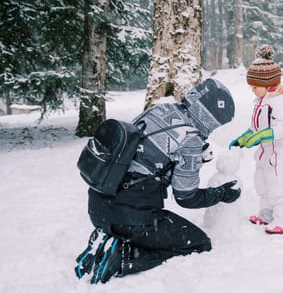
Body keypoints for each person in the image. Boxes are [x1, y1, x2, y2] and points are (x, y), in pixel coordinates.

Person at [76, 78, 241, 284]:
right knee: (198, 243)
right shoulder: (191, 140)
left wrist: (194, 157)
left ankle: (107, 239)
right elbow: (187, 197)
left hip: (100, 205)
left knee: (151, 227)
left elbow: (151, 154)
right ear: (211, 118)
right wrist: (222, 193)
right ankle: (121, 256)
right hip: (131, 219)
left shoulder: (162, 110)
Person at [229, 44, 283, 235]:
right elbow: (255, 126)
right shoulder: (261, 101)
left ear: (268, 83)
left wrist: (260, 136)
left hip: (282, 150)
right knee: (263, 183)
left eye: (255, 86)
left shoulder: (278, 100)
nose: (252, 90)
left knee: (277, 185)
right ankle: (266, 214)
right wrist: (243, 138)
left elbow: (282, 126)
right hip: (265, 150)